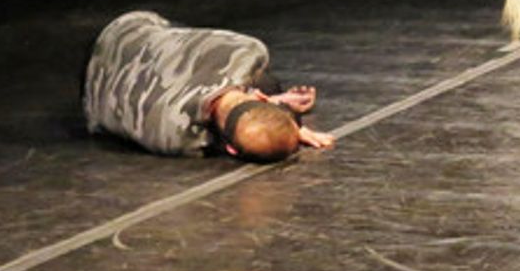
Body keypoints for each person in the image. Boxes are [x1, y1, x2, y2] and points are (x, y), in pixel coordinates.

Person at [83, 10, 335, 161]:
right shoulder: (175, 136)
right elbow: (213, 137)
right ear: (230, 150)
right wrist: (286, 122)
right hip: (91, 82)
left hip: (126, 29)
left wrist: (282, 116)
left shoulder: (247, 51)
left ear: (259, 97)